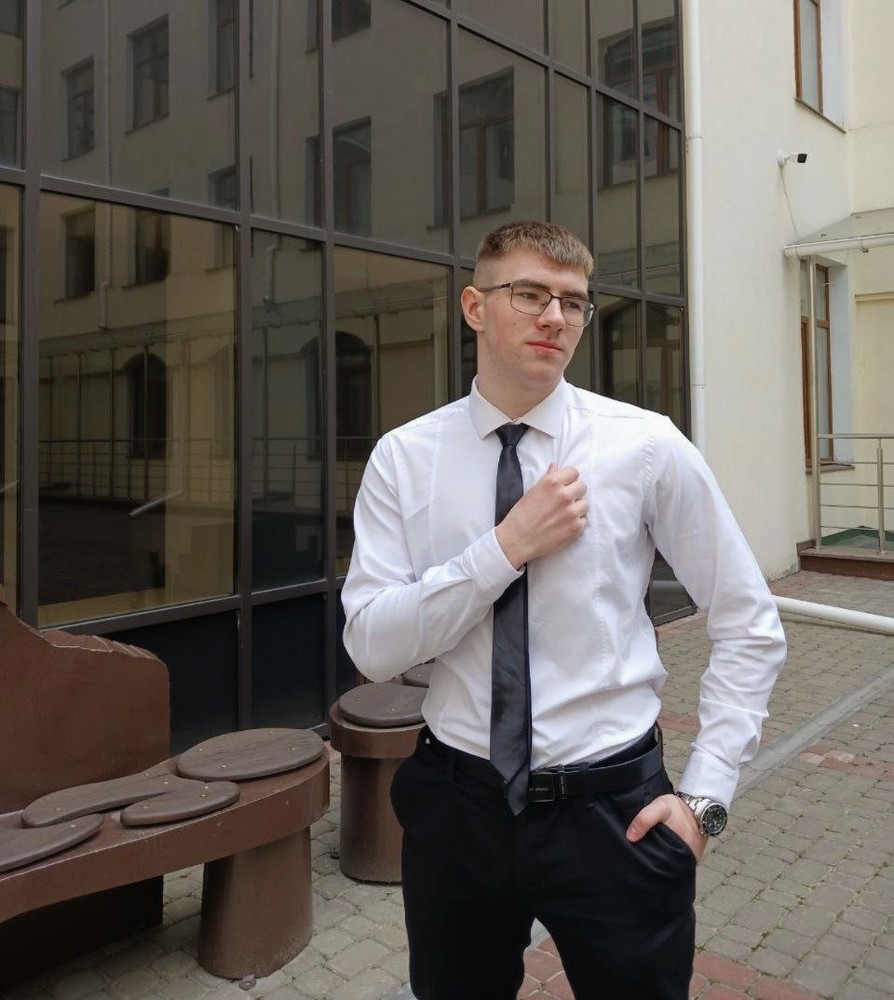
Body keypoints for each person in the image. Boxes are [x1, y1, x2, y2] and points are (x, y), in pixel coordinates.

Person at [341, 220, 786, 1000]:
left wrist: (705, 797)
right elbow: (372, 647)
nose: (555, 316)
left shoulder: (645, 447)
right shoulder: (405, 458)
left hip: (614, 814)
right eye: (530, 294)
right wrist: (503, 549)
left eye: (574, 302)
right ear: (474, 307)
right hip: (457, 808)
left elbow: (747, 620)